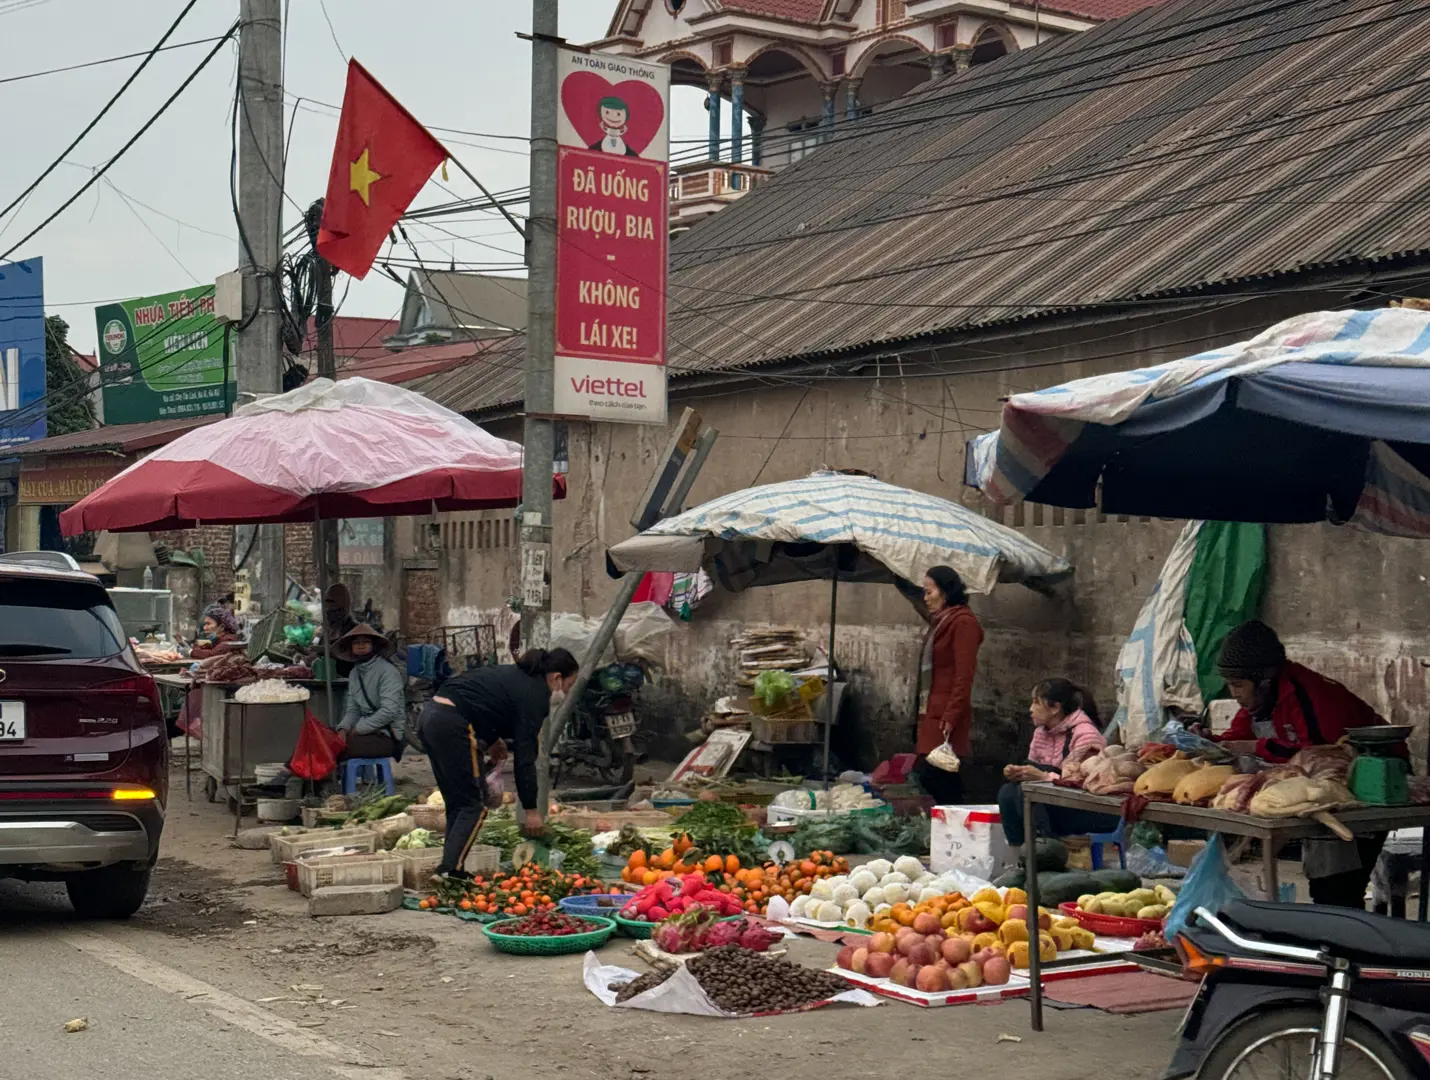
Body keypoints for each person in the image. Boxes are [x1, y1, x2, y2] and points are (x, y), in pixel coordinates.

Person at [1214, 619, 1398, 908]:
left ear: (1263, 679)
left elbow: (1321, 752)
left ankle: (1349, 949)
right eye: (1229, 685)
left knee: (1337, 889)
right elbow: (1235, 737)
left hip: (1362, 790)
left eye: (1238, 685)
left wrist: (1254, 746)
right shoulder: (1260, 701)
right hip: (1318, 794)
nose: (1234, 693)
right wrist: (1208, 742)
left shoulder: (1310, 695)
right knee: (1323, 886)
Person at [417, 647, 581, 879]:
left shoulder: (514, 675)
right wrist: (531, 810)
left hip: (430, 717)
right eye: (569, 685)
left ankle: (452, 867)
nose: (566, 691)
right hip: (452, 724)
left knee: (458, 802)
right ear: (556, 678)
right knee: (472, 805)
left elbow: (485, 701)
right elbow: (525, 759)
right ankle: (448, 871)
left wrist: (494, 739)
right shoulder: (536, 695)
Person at [998, 679, 1119, 848]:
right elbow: (1032, 771)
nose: (1030, 709)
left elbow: (1089, 784)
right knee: (1008, 792)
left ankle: (1046, 851)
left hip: (1091, 808)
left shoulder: (1085, 734)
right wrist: (1018, 773)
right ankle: (1021, 854)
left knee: (1026, 795)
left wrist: (1043, 776)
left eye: (1036, 703)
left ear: (1055, 708)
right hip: (1058, 804)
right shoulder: (1040, 733)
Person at [914, 566, 984, 805]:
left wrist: (952, 715)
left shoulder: (963, 623)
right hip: (932, 710)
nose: (926, 598)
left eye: (929, 592)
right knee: (930, 770)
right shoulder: (941, 621)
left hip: (946, 713)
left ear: (945, 591)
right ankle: (951, 820)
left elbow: (964, 674)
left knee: (936, 771)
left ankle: (960, 817)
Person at [333, 623, 406, 760]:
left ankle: (299, 774)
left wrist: (358, 729)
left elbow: (389, 711)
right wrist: (343, 729)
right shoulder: (355, 673)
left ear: (374, 646)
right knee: (319, 736)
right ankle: (293, 771)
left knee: (331, 747)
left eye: (366, 642)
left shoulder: (388, 671)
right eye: (356, 643)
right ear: (351, 647)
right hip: (364, 732)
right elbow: (353, 710)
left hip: (387, 735)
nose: (361, 646)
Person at [323, 583, 359, 677]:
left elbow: (352, 662)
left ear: (344, 609)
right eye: (327, 610)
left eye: (335, 610)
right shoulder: (327, 631)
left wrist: (331, 656)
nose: (329, 614)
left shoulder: (355, 631)